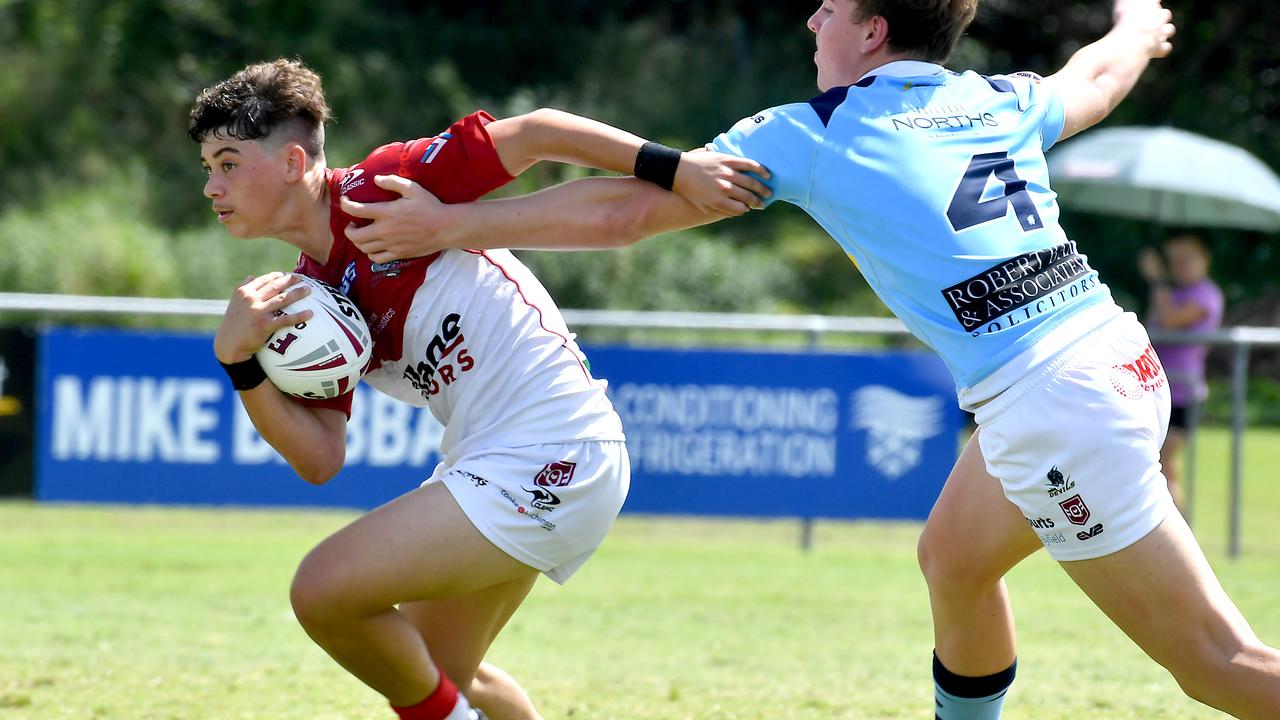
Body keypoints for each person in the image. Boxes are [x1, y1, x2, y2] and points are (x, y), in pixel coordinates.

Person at [335, 1, 1280, 718]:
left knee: (1214, 670)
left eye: (828, 7)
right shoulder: (993, 99)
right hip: (1111, 352)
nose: (810, 20)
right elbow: (1100, 77)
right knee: (955, 561)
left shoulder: (815, 132)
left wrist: (456, 223)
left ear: (870, 33)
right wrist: (1137, 23)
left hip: (1054, 406)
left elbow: (624, 212)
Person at [190, 58, 767, 720]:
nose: (211, 185)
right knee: (436, 673)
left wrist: (677, 168)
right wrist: (241, 364)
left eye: (228, 163)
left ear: (294, 163)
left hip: (554, 448)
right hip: (494, 460)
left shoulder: (382, 187)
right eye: (208, 166)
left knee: (321, 590)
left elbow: (539, 133)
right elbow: (320, 457)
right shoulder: (308, 299)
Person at [1139, 231, 1225, 510]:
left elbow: (1169, 320)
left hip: (1183, 392)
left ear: (1205, 260)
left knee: (1163, 463)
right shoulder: (1173, 293)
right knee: (1158, 465)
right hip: (1158, 389)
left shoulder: (1205, 295)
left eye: (1187, 259)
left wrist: (1158, 280)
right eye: (1173, 260)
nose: (1180, 266)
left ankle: (1177, 527)